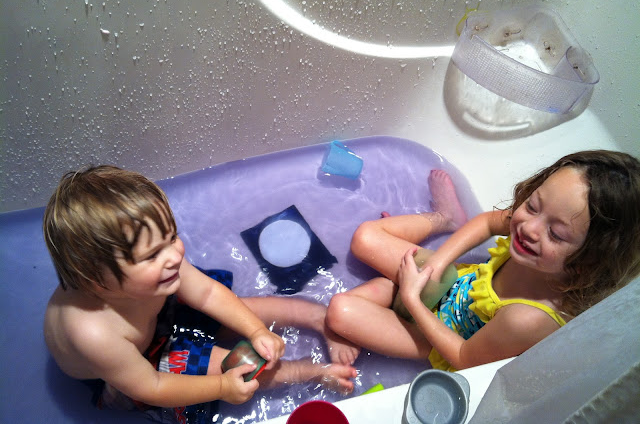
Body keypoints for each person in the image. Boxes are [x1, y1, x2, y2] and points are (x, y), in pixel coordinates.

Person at [43, 165, 357, 423]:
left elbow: (207, 294)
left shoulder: (149, 272)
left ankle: (318, 318)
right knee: (233, 369)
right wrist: (221, 387)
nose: (174, 255)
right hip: (133, 368)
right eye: (152, 255)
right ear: (98, 282)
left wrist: (256, 331)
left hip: (156, 316)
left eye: (172, 237)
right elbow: (151, 386)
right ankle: (308, 371)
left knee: (239, 308)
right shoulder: (94, 334)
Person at [326, 150, 640, 372]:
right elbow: (490, 222)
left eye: (555, 234)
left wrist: (411, 299)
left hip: (439, 340)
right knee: (365, 237)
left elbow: (465, 358)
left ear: (588, 261)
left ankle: (383, 297)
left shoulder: (529, 318)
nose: (528, 228)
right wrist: (438, 263)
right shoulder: (537, 226)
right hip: (451, 281)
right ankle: (445, 218)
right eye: (532, 205)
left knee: (340, 312)